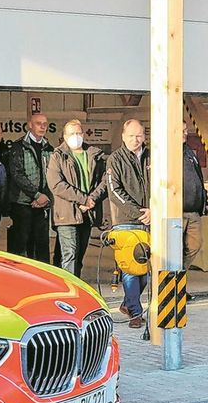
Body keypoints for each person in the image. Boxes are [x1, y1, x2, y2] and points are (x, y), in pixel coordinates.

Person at [47, 119, 107, 277]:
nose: (76, 136)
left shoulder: (94, 154)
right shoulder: (57, 156)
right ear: (64, 136)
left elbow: (105, 181)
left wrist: (92, 199)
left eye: (78, 133)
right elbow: (56, 184)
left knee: (79, 256)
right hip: (67, 215)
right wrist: (83, 199)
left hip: (88, 214)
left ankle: (74, 287)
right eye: (72, 134)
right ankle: (69, 292)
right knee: (70, 256)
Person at [106, 119, 151, 329]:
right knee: (131, 270)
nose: (136, 139)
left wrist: (154, 211)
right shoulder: (115, 159)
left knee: (145, 272)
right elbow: (114, 192)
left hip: (150, 220)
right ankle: (135, 312)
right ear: (123, 137)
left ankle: (127, 303)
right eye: (132, 135)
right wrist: (138, 212)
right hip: (126, 222)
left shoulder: (151, 156)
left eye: (140, 135)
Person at [6, 113, 55, 261]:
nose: (42, 126)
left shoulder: (49, 148)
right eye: (38, 123)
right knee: (21, 248)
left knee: (41, 248)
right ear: (30, 125)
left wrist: (46, 197)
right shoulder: (18, 147)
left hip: (42, 206)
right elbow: (17, 174)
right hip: (22, 205)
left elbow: (53, 175)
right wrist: (36, 195)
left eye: (45, 124)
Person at [181, 122, 208, 279]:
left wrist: (204, 199)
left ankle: (179, 279)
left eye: (186, 130)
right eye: (181, 130)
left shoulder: (189, 152)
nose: (185, 133)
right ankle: (176, 286)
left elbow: (198, 178)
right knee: (175, 250)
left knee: (194, 245)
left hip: (194, 211)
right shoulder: (165, 152)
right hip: (177, 211)